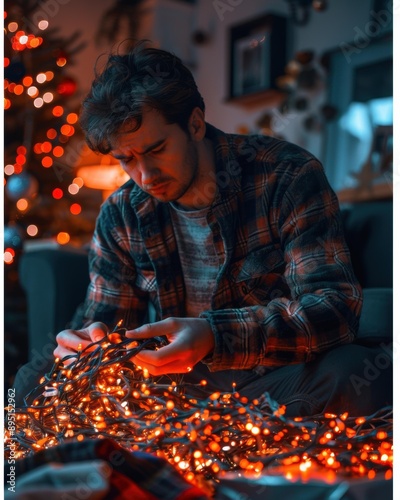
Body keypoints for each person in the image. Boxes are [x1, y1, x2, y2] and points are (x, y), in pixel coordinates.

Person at [51, 43, 390, 417]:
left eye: (157, 149)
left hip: (276, 382)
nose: (145, 176)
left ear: (195, 123)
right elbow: (109, 322)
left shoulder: (287, 175)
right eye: (126, 160)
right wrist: (84, 346)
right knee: (35, 376)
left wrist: (216, 336)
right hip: (171, 391)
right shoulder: (120, 212)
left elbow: (334, 308)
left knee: (358, 374)